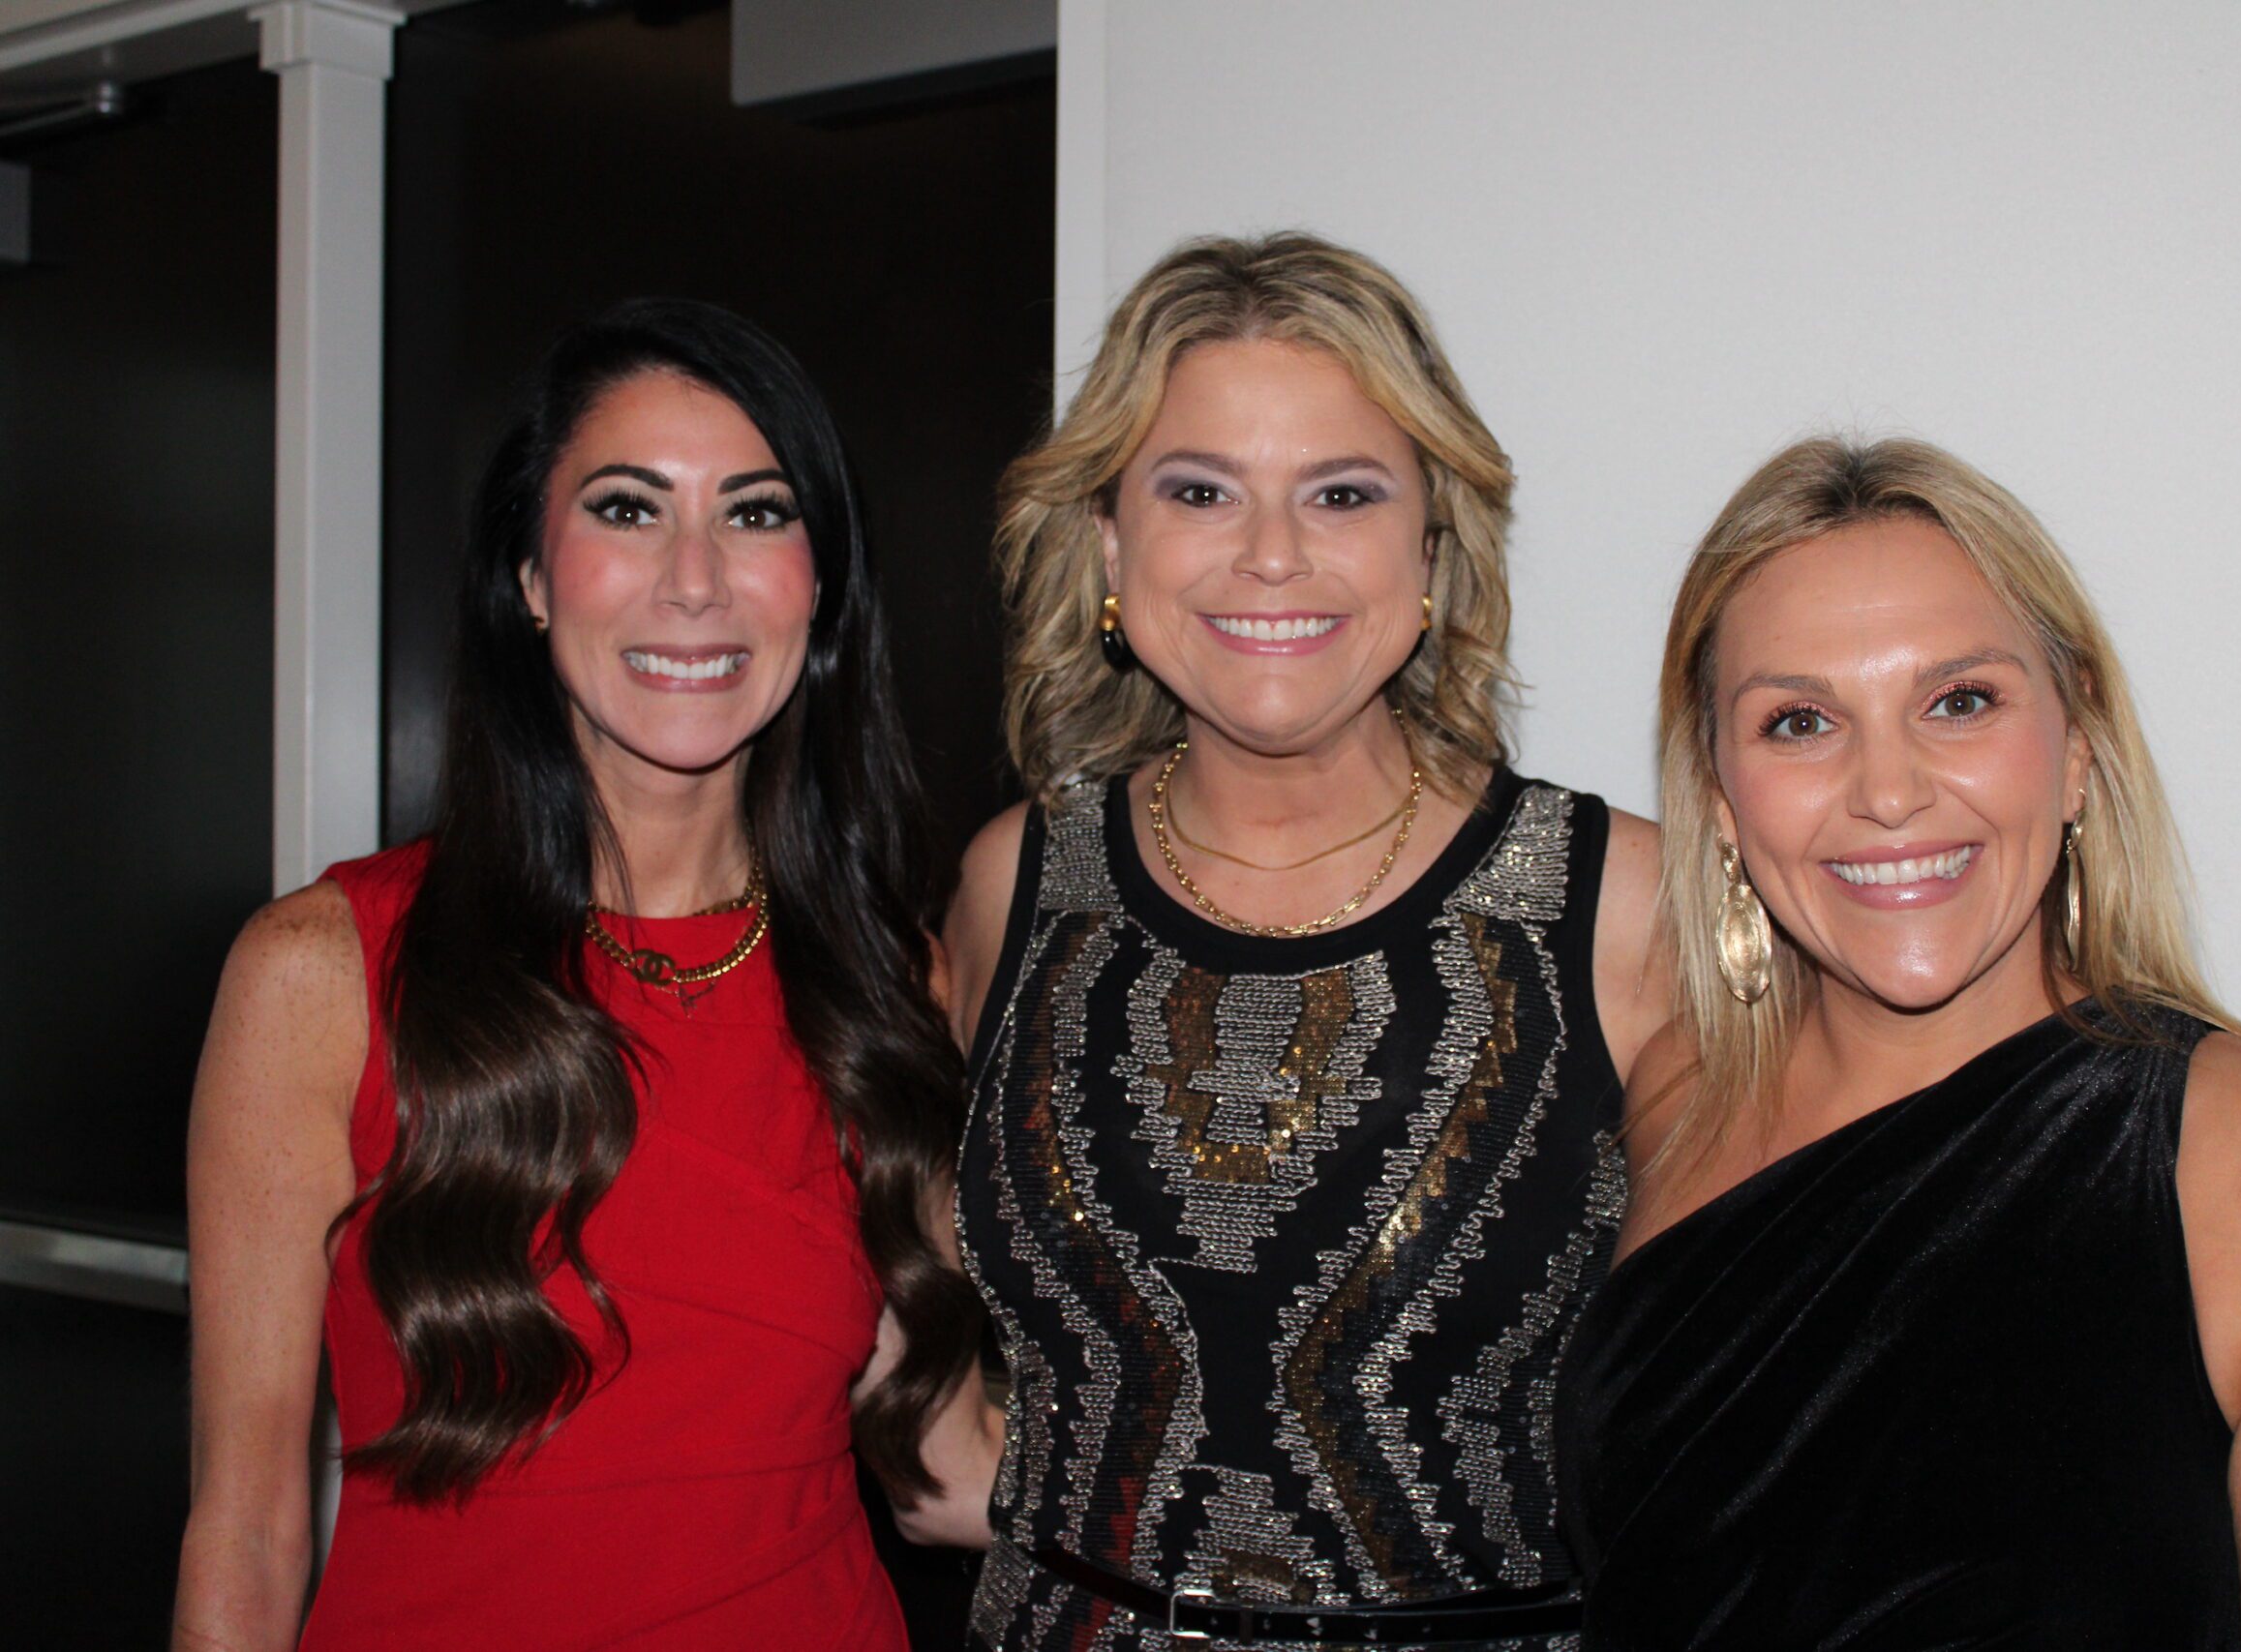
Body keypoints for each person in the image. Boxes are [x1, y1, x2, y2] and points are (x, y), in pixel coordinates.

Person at [1555, 435, 2241, 1649]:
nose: (1889, 790)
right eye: (1799, 721)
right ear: (1721, 797)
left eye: (1959, 702)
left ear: (2077, 745)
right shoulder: (1676, 1097)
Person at [174, 300, 989, 1649]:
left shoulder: (895, 978)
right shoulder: (324, 972)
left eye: (756, 513)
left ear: (821, 586)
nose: (694, 579)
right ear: (532, 576)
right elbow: (245, 1527)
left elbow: (948, 1461)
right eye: (627, 509)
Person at [939, 231, 1672, 1650]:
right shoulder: (1013, 879)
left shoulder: (1621, 902)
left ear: (1430, 543)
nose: (1271, 554)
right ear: (1110, 543)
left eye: (1341, 493)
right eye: (1199, 490)